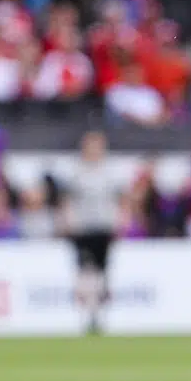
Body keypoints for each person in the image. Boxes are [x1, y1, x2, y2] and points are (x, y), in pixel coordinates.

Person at [63, 131, 124, 331]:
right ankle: (86, 313)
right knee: (85, 271)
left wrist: (120, 221)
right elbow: (68, 200)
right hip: (83, 228)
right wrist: (68, 221)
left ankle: (99, 313)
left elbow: (120, 200)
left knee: (102, 272)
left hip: (104, 226)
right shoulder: (77, 171)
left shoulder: (110, 171)